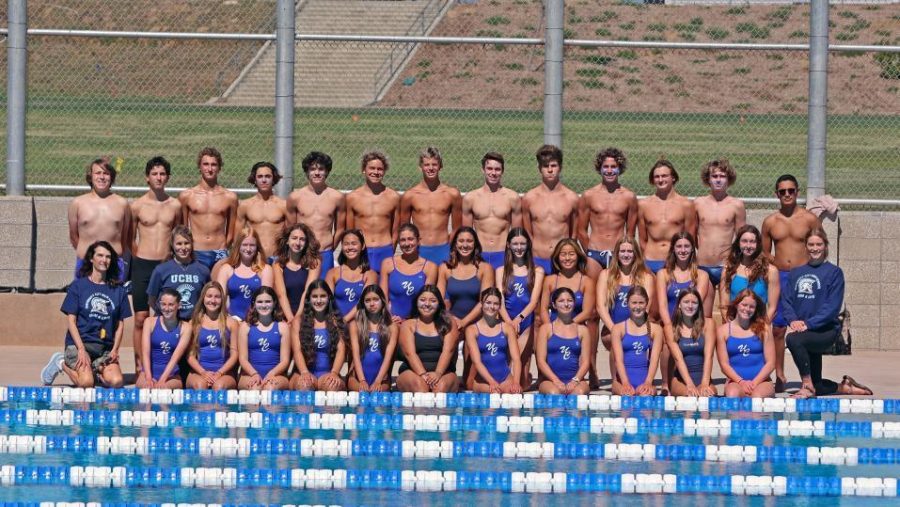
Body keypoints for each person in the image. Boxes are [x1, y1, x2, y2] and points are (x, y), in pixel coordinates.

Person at [785, 228, 872, 398]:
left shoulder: (834, 273)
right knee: (819, 385)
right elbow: (786, 300)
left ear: (825, 246)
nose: (814, 248)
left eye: (819, 244)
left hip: (825, 331)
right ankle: (844, 387)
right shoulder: (795, 273)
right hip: (804, 329)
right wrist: (792, 320)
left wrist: (808, 324)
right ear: (805, 246)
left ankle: (807, 386)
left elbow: (832, 307)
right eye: (811, 244)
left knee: (793, 339)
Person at [41, 241, 130, 388]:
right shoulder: (78, 286)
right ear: (91, 258)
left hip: (103, 348)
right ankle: (61, 363)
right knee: (87, 383)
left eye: (108, 257)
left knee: (116, 382)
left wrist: (115, 350)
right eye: (100, 255)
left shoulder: (118, 290)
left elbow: (120, 324)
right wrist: (81, 349)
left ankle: (94, 369)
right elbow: (71, 321)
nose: (104, 260)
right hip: (79, 345)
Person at [762, 174, 820, 393]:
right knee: (777, 329)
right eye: (782, 191)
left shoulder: (809, 219)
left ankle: (810, 376)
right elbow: (765, 252)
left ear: (797, 192)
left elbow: (819, 245)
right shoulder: (770, 222)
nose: (787, 194)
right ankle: (779, 374)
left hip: (804, 277)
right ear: (776, 194)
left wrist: (813, 271)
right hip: (781, 277)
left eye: (791, 191)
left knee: (806, 327)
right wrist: (775, 266)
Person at [128, 156, 182, 372]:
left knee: (166, 315)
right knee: (141, 318)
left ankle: (164, 365)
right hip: (142, 264)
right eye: (154, 174)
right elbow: (130, 239)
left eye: (162, 174)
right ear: (147, 178)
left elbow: (179, 235)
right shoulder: (137, 206)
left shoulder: (175, 205)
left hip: (166, 266)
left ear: (167, 177)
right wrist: (138, 259)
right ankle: (140, 365)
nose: (158, 178)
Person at [539, 239, 599, 387]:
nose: (567, 258)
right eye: (563, 254)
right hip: (553, 325)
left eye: (571, 254)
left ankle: (589, 372)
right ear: (557, 257)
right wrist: (551, 328)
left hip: (577, 325)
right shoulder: (550, 280)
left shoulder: (586, 281)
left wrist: (568, 326)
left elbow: (587, 312)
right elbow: (543, 308)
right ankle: (546, 377)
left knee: (585, 333)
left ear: (578, 256)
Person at [597, 237, 656, 383]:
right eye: (622, 251)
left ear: (636, 254)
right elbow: (601, 306)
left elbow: (645, 307)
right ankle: (615, 381)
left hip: (638, 327)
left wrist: (633, 331)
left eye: (630, 251)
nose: (626, 254)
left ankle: (641, 377)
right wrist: (615, 329)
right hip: (612, 327)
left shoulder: (646, 277)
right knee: (614, 339)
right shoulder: (606, 275)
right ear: (616, 254)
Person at [693, 158, 746, 317]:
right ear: (707, 179)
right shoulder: (698, 203)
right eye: (714, 176)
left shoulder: (736, 205)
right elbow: (691, 234)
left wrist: (736, 262)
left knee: (727, 313)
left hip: (725, 266)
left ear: (728, 179)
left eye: (722, 176)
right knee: (704, 314)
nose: (718, 179)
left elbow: (741, 238)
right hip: (703, 265)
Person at [576, 147, 638, 279]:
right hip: (594, 253)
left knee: (616, 293)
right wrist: (590, 253)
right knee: (593, 294)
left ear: (619, 169)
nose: (609, 171)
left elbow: (631, 233)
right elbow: (581, 230)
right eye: (606, 167)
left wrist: (624, 253)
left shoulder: (629, 197)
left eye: (613, 167)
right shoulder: (589, 195)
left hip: (618, 254)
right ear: (600, 169)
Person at [496, 227, 545, 389]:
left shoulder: (537, 271)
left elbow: (533, 301)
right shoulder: (501, 271)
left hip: (525, 322)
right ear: (509, 245)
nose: (519, 248)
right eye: (515, 244)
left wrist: (519, 319)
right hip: (505, 320)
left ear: (528, 245)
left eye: (522, 244)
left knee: (521, 380)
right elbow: (499, 300)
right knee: (507, 367)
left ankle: (526, 377)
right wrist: (509, 321)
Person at [68, 157, 131, 281]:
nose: (102, 177)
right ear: (90, 176)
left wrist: (114, 254)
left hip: (114, 264)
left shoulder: (122, 204)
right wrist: (88, 254)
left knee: (113, 299)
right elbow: (73, 236)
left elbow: (125, 236)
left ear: (111, 177)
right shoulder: (77, 203)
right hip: (85, 262)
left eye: (106, 173)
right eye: (98, 173)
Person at [287, 152, 346, 278]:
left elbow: (341, 229)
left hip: (325, 253)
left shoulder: (337, 197)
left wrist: (330, 248)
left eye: (321, 169)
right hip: (301, 253)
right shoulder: (295, 197)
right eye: (313, 169)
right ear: (307, 172)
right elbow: (290, 229)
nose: (317, 173)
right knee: (301, 290)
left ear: (327, 171)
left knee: (323, 293)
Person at [400, 146, 462, 265]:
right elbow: (404, 229)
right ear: (420, 167)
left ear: (440, 166)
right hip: (419, 251)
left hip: (443, 250)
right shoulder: (410, 196)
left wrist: (452, 250)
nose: (431, 168)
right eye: (427, 165)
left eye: (434, 164)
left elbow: (457, 228)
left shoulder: (452, 194)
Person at [521, 145, 579, 274]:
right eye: (545, 166)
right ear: (539, 168)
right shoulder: (529, 198)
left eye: (553, 165)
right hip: (537, 259)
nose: (550, 170)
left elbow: (573, 235)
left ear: (560, 167)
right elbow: (527, 233)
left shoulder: (572, 198)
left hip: (562, 260)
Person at [179, 147, 238, 270]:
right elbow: (183, 229)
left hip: (220, 252)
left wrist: (224, 248)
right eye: (205, 164)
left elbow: (231, 233)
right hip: (196, 251)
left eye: (213, 165)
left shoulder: (230, 197)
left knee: (220, 288)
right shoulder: (187, 196)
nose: (209, 169)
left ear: (219, 168)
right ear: (199, 167)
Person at [462, 152, 522, 268]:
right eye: (489, 168)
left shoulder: (512, 198)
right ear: (483, 170)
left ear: (502, 171)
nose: (493, 173)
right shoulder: (471, 198)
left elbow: (517, 235)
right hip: (480, 254)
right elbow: (466, 234)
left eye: (497, 169)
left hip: (503, 254)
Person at [396, 285, 460, 393]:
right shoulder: (408, 325)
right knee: (420, 387)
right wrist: (423, 375)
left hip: (444, 372)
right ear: (416, 302)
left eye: (433, 301)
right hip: (412, 371)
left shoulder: (449, 323)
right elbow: (409, 354)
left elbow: (448, 351)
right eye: (422, 300)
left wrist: (438, 373)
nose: (427, 304)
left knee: (440, 389)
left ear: (439, 303)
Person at [346, 151, 400, 274]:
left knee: (383, 290)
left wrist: (390, 250)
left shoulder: (393, 197)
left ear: (384, 171)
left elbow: (396, 231)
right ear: (363, 170)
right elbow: (349, 231)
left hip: (385, 250)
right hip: (362, 251)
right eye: (372, 168)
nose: (375, 172)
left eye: (380, 169)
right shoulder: (352, 197)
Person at [637, 160, 696, 274]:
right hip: (650, 260)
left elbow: (690, 238)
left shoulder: (686, 205)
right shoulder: (643, 205)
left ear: (673, 178)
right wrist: (644, 262)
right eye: (657, 177)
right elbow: (642, 239)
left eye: (664, 176)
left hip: (675, 262)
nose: (660, 180)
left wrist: (682, 262)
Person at [290, 280, 348, 391]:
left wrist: (334, 373)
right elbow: (297, 351)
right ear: (309, 299)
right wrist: (304, 372)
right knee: (304, 386)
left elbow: (341, 350)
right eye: (315, 296)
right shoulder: (298, 322)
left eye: (323, 296)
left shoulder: (336, 321)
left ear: (329, 298)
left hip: (327, 374)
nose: (319, 300)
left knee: (333, 388)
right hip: (302, 371)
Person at [718, 289, 776, 398]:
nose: (747, 309)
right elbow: (724, 365)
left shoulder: (764, 329)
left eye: (751, 307)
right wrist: (741, 382)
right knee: (732, 395)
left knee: (757, 398)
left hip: (761, 382)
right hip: (735, 382)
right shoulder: (723, 331)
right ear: (736, 305)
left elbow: (771, 363)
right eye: (744, 305)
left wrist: (754, 383)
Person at [147, 226, 210, 321]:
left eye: (187, 243)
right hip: (168, 322)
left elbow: (207, 297)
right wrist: (164, 316)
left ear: (192, 244)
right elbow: (152, 299)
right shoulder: (161, 270)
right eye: (179, 244)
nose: (183, 247)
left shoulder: (203, 270)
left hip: (193, 322)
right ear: (172, 245)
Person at [465, 288, 522, 393]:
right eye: (488, 303)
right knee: (494, 396)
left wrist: (516, 382)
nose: (491, 307)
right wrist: (491, 381)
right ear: (481, 303)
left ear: (500, 306)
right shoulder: (472, 330)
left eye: (496, 304)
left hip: (505, 378)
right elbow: (476, 362)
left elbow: (517, 359)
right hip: (483, 381)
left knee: (515, 396)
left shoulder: (507, 328)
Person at [534, 287, 591, 395]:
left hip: (576, 380)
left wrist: (575, 380)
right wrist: (555, 380)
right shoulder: (546, 329)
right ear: (554, 305)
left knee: (579, 394)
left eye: (570, 301)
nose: (566, 304)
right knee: (554, 394)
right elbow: (541, 361)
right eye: (561, 301)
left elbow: (585, 362)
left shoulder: (582, 330)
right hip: (550, 381)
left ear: (574, 303)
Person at [437, 226, 494, 331]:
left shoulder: (485, 268)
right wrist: (452, 320)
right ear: (455, 244)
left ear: (475, 244)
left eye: (469, 241)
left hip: (477, 324)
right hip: (452, 322)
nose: (465, 245)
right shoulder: (445, 268)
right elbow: (438, 299)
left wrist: (464, 322)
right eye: (461, 241)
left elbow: (485, 301)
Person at [185, 282, 239, 390]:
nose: (213, 301)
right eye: (209, 296)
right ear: (203, 298)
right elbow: (190, 356)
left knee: (219, 387)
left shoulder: (231, 323)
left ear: (222, 300)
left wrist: (220, 373)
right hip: (198, 372)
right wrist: (203, 372)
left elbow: (235, 354)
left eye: (217, 297)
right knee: (200, 386)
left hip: (224, 373)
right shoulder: (194, 323)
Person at [720, 225, 780, 323]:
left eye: (752, 242)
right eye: (744, 241)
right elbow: (724, 305)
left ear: (758, 244)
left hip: (758, 325)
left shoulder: (770, 271)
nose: (748, 246)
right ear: (738, 243)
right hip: (734, 324)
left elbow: (772, 307)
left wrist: (762, 328)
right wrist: (732, 327)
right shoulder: (729, 270)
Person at [610, 286, 663, 396]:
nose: (637, 307)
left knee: (645, 396)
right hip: (621, 382)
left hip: (644, 382)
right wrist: (625, 383)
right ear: (627, 303)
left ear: (647, 303)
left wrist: (648, 382)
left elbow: (654, 360)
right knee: (627, 395)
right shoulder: (618, 328)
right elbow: (618, 360)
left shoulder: (656, 329)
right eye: (634, 303)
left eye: (641, 303)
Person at [664, 288, 717, 397]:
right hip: (681, 380)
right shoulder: (670, 328)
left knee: (707, 398)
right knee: (690, 397)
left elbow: (709, 356)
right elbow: (678, 359)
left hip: (704, 378)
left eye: (694, 302)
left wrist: (705, 384)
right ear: (679, 304)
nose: (690, 306)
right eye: (686, 302)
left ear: (699, 306)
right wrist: (689, 384)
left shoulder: (708, 324)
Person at [380, 224, 438, 323]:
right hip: (391, 320)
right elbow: (382, 297)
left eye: (410, 239)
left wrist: (407, 321)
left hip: (417, 321)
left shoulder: (430, 267)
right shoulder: (387, 263)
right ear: (398, 242)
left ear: (418, 241)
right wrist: (389, 317)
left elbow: (427, 302)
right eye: (403, 240)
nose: (407, 244)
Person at [215, 227, 274, 321]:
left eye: (252, 245)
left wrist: (252, 320)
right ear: (238, 246)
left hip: (256, 321)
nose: (248, 249)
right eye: (245, 245)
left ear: (257, 247)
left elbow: (266, 301)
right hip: (231, 321)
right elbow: (220, 298)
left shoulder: (265, 269)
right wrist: (229, 319)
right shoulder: (227, 269)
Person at [237, 287, 290, 390]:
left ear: (274, 303)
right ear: (254, 304)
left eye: (268, 301)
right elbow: (243, 359)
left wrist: (272, 373)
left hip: (276, 374)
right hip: (249, 374)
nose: (264, 305)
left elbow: (285, 360)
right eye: (260, 302)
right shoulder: (245, 327)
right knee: (254, 389)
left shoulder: (282, 327)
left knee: (270, 389)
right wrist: (254, 374)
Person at [136, 288, 190, 389]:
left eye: (171, 304)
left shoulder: (185, 327)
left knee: (163, 390)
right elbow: (145, 353)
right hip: (148, 372)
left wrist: (162, 380)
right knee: (146, 390)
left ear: (179, 305)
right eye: (163, 304)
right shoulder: (149, 322)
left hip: (171, 376)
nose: (166, 308)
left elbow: (175, 358)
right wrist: (148, 378)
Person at [347, 285, 398, 392]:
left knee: (376, 397)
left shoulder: (392, 327)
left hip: (382, 379)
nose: (372, 304)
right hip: (357, 377)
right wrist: (361, 380)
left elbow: (388, 357)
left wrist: (378, 381)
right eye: (367, 300)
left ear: (383, 301)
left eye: (375, 299)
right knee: (362, 395)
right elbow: (355, 355)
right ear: (363, 303)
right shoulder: (355, 325)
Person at [235, 162, 288, 260]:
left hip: (278, 258)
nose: (264, 180)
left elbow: (291, 233)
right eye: (260, 176)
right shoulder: (245, 205)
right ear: (254, 179)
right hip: (254, 258)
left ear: (273, 179)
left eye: (268, 176)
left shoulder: (283, 205)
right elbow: (238, 237)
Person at [656, 232, 710, 326]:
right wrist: (669, 328)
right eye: (679, 246)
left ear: (692, 249)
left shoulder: (702, 275)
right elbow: (662, 306)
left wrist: (685, 330)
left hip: (691, 325)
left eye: (687, 246)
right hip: (669, 324)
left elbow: (694, 305)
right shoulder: (663, 274)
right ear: (673, 249)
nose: (683, 250)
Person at [325, 229, 378, 323]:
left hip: (361, 324)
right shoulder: (332, 273)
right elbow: (328, 302)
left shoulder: (370, 274)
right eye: (346, 244)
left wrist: (344, 320)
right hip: (336, 322)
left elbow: (363, 302)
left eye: (354, 243)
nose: (350, 247)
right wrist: (335, 321)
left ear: (362, 246)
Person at [273, 223, 321, 324]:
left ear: (307, 242)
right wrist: (291, 319)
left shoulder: (314, 263)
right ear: (287, 241)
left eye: (302, 239)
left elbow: (307, 292)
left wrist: (298, 317)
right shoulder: (278, 265)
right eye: (294, 238)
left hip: (307, 314)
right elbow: (281, 294)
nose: (298, 242)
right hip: (285, 317)